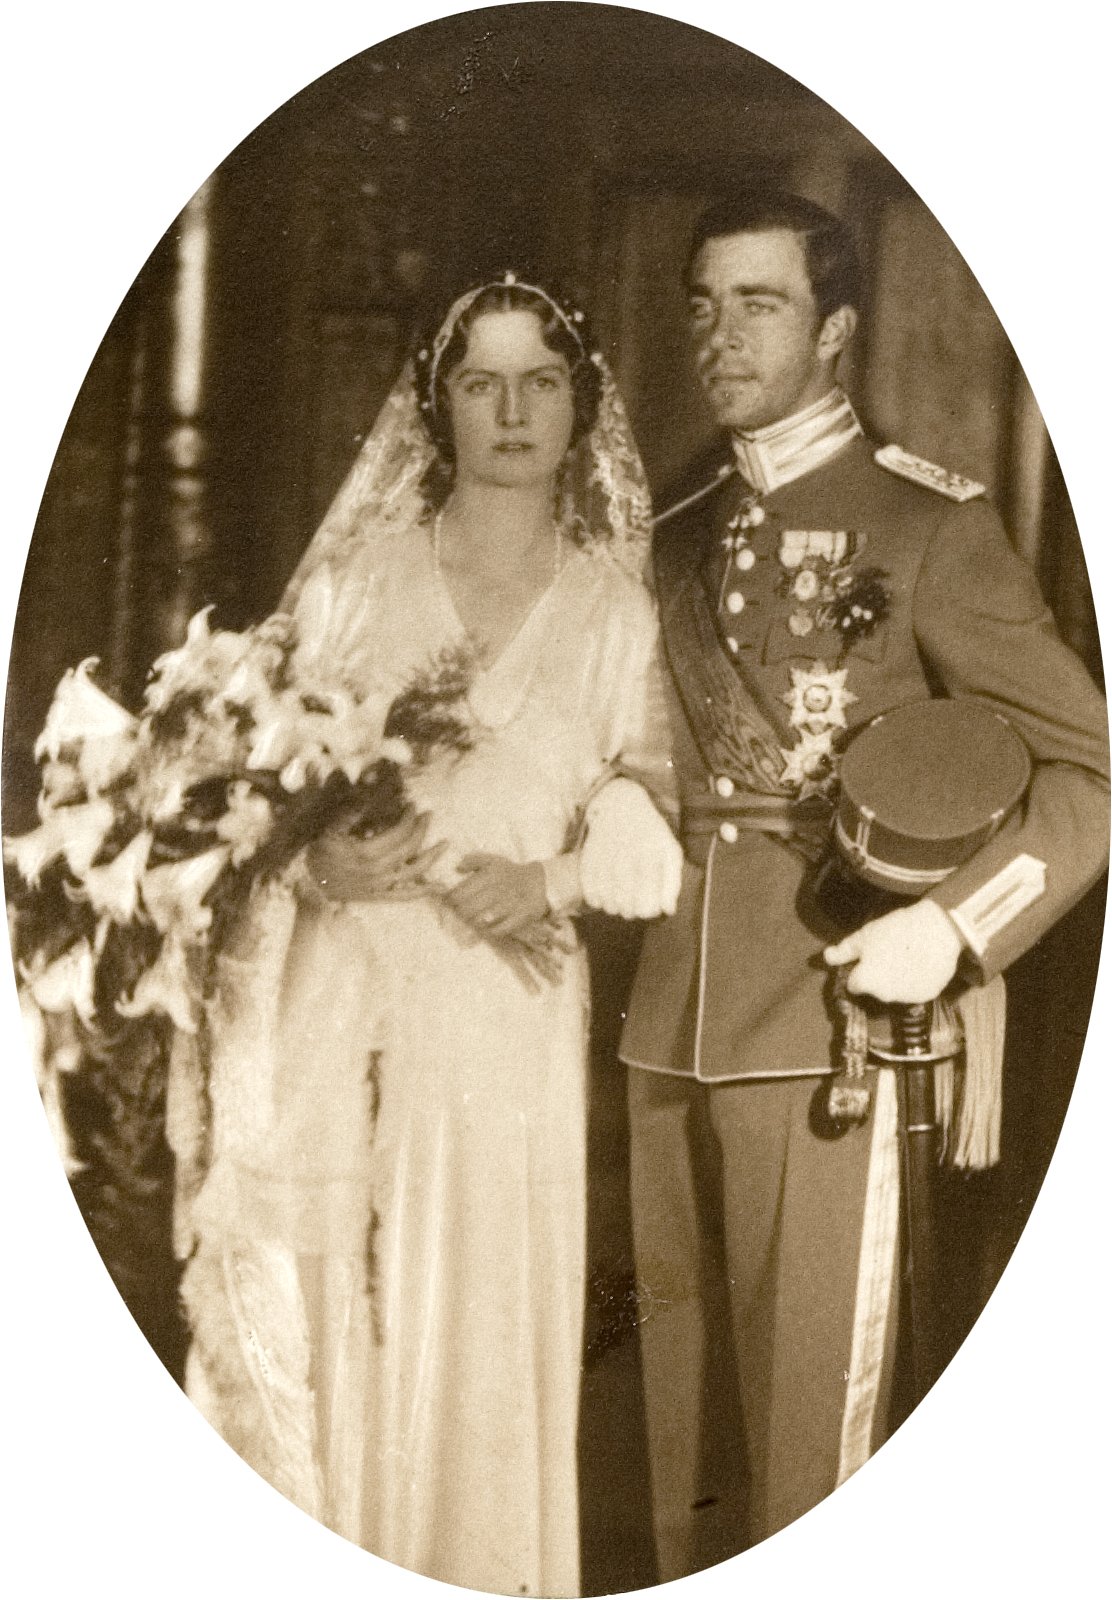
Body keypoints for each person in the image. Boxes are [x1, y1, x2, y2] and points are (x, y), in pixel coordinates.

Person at [619, 190, 1110, 1572]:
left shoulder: (925, 526)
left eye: (759, 304)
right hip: (669, 1019)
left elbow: (1091, 770)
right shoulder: (672, 527)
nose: (720, 335)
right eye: (703, 305)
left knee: (806, 1447)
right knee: (680, 1447)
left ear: (834, 330)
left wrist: (952, 930)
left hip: (831, 1017)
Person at [169, 277, 682, 1596]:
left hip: (511, 1012)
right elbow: (234, 798)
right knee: (345, 1308)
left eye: (541, 383)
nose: (512, 413)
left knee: (486, 1311)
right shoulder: (356, 587)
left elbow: (660, 811)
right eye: (480, 383)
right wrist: (314, 862)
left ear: (581, 408)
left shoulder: (618, 612)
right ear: (436, 405)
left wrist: (553, 880)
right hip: (344, 992)